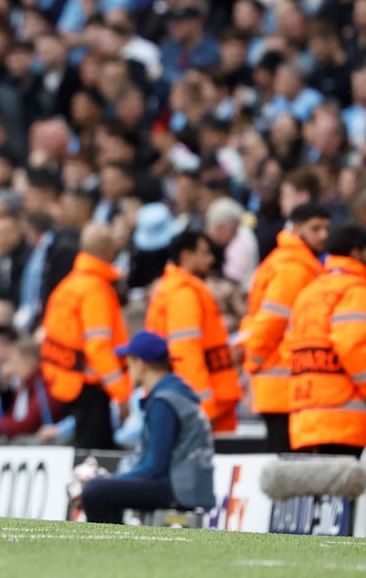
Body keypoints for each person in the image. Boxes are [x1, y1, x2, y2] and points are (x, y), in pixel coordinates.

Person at [80, 331, 216, 524]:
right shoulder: (175, 393)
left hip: (179, 488)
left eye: (129, 362)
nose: (128, 369)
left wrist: (114, 480)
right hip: (189, 485)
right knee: (102, 488)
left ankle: (113, 542)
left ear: (140, 363)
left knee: (95, 492)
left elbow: (154, 467)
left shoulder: (164, 401)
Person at [239, 202, 330, 452]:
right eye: (316, 228)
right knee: (289, 463)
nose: (323, 235)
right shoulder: (293, 269)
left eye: (326, 228)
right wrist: (253, 362)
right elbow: (272, 322)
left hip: (283, 381)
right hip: (283, 381)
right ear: (297, 228)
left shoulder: (294, 263)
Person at [41, 224, 132, 450]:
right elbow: (98, 348)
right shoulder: (96, 290)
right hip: (90, 388)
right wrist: (121, 393)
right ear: (109, 252)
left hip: (66, 380)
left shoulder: (68, 285)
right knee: (96, 456)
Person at [145, 230, 241, 433]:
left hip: (204, 400)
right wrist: (203, 408)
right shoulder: (183, 294)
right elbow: (186, 355)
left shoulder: (180, 290)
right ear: (186, 256)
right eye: (204, 253)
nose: (211, 259)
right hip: (203, 405)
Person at [284, 224, 366, 458]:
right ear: (356, 253)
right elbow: (353, 347)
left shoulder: (309, 291)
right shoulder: (355, 291)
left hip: (306, 410)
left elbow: (290, 346)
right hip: (344, 414)